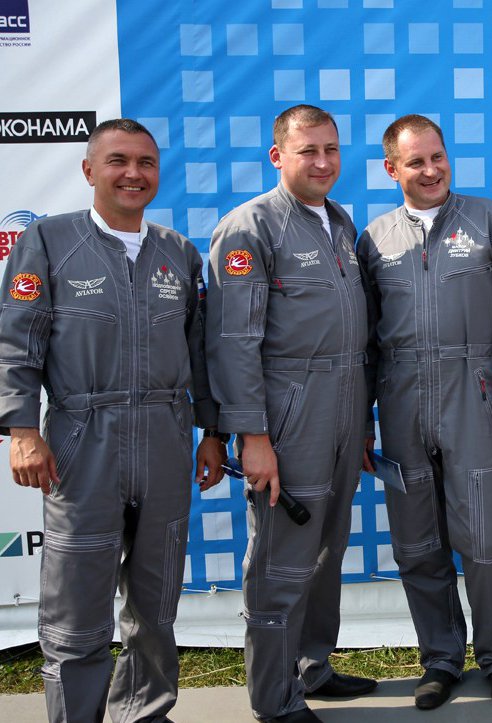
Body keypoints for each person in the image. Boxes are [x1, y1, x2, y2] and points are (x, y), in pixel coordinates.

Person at [0, 118, 225, 723]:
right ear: (89, 170)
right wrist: (22, 429)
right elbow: (16, 343)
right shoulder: (48, 242)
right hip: (82, 442)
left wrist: (213, 433)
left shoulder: (177, 252)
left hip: (165, 440)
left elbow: (201, 352)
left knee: (156, 605)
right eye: (118, 161)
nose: (133, 173)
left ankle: (144, 714)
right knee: (77, 611)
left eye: (146, 162)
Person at [357, 114, 492, 711]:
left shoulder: (490, 221)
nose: (431, 170)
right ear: (392, 169)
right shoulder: (374, 239)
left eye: (437, 157)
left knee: (487, 540)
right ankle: (440, 659)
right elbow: (361, 340)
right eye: (416, 161)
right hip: (401, 400)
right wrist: (362, 422)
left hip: (473, 394)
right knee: (417, 545)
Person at [206, 105, 374, 723]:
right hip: (288, 412)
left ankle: (312, 667)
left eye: (331, 149)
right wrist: (252, 436)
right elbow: (233, 342)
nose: (323, 162)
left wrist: (362, 421)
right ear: (278, 156)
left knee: (326, 551)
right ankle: (274, 700)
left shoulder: (340, 223)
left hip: (344, 406)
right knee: (281, 562)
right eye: (308, 151)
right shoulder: (249, 228)